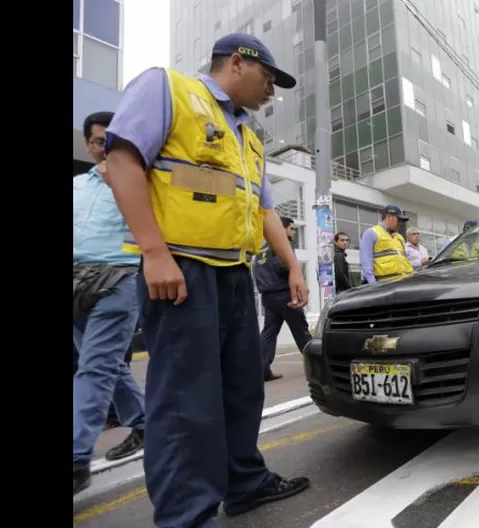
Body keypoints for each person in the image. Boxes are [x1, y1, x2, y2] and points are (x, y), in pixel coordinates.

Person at [102, 34, 310, 527]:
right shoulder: (168, 89)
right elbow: (122, 161)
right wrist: (154, 252)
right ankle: (187, 515)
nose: (271, 92)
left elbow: (263, 211)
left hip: (235, 275)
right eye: (268, 79)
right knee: (184, 399)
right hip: (181, 269)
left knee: (242, 389)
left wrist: (295, 265)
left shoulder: (248, 135)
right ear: (237, 62)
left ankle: (244, 482)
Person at [73, 111, 149, 495]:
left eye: (114, 140)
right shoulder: (76, 186)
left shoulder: (139, 182)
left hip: (118, 278)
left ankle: (75, 459)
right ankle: (143, 421)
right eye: (100, 141)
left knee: (94, 367)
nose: (107, 147)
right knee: (104, 364)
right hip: (75, 284)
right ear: (89, 144)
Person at [255, 216, 313, 382]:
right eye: (292, 228)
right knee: (301, 330)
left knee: (269, 333)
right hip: (284, 295)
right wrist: (295, 268)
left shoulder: (261, 251)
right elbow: (282, 267)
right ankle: (317, 366)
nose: (294, 232)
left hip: (268, 297)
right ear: (283, 229)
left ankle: (262, 370)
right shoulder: (282, 245)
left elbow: (258, 274)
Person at [358, 205, 413, 284]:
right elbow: (366, 261)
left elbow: (404, 260)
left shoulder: (399, 237)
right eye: (399, 220)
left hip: (404, 283)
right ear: (390, 217)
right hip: (385, 286)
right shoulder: (371, 233)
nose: (401, 224)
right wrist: (373, 285)